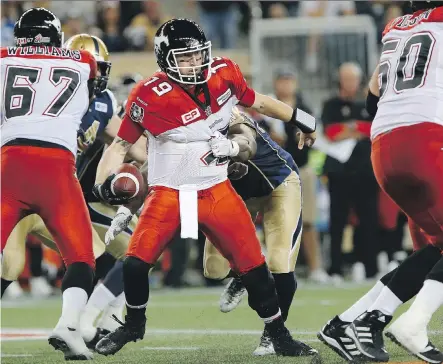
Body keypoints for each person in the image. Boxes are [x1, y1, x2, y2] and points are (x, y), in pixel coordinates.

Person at [92, 18, 317, 357]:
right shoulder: (149, 95)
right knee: (135, 263)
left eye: (198, 55)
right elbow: (120, 147)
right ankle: (133, 324)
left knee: (256, 270)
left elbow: (258, 102)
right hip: (168, 193)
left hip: (216, 189)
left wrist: (298, 116)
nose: (195, 64)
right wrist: (105, 186)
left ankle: (278, 333)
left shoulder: (224, 74)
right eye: (185, 58)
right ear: (165, 59)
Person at [0, 33, 146, 351]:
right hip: (31, 191)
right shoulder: (38, 94)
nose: (99, 75)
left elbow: (127, 144)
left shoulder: (105, 101)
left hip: (60, 197)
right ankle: (85, 324)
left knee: (120, 250)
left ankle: (94, 321)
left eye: (101, 68)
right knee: (10, 264)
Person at [320, 2, 443, 363]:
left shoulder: (395, 27)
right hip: (424, 140)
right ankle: (410, 323)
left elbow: (373, 93)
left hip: (383, 143)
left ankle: (347, 322)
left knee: (435, 248)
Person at [0, 8, 97, 360]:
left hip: (10, 164)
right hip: (58, 167)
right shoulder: (84, 60)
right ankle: (69, 328)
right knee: (81, 257)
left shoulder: (3, 58)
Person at [321, 62, 378, 281]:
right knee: (337, 221)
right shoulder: (331, 104)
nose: (350, 83)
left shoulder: (370, 103)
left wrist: (351, 128)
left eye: (353, 79)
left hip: (365, 170)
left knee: (368, 220)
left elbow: (373, 129)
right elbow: (331, 132)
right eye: (346, 78)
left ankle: (370, 267)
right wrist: (356, 128)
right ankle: (335, 269)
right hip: (339, 172)